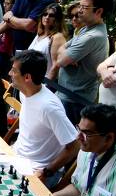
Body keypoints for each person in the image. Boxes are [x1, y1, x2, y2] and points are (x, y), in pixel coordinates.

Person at [10, 50, 79, 187]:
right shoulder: (25, 94)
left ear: (27, 77)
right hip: (17, 159)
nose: (9, 74)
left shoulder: (49, 107)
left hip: (37, 171)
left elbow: (74, 145)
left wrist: (47, 171)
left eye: (13, 71)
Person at [53, 0, 110, 125]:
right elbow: (61, 49)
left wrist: (65, 54)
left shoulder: (92, 36)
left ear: (99, 11)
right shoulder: (85, 28)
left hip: (74, 98)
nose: (79, 10)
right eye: (80, 6)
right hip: (66, 93)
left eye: (85, 7)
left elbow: (60, 60)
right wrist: (65, 53)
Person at [28, 3, 68, 80]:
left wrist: (46, 86)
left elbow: (56, 65)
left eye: (51, 15)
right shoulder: (39, 34)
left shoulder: (57, 37)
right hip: (29, 79)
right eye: (45, 14)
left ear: (57, 19)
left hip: (42, 81)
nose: (47, 17)